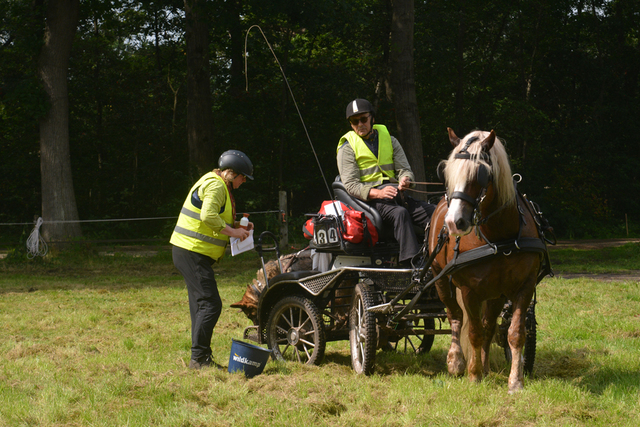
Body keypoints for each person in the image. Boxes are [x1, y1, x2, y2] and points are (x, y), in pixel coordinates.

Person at [170, 150, 254, 370]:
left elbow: (214, 216)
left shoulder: (218, 184)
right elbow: (207, 216)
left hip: (189, 251)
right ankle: (198, 359)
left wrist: (237, 227)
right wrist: (234, 233)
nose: (244, 181)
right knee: (210, 303)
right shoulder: (216, 185)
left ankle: (200, 358)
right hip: (191, 251)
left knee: (201, 305)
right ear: (231, 173)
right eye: (242, 176)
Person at [336, 98, 435, 264]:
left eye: (363, 119)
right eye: (354, 121)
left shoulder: (390, 139)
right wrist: (378, 193)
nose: (359, 124)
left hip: (396, 196)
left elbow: (405, 169)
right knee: (400, 214)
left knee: (434, 212)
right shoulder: (347, 148)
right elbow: (351, 185)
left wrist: (406, 180)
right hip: (369, 202)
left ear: (372, 118)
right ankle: (411, 264)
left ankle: (441, 256)